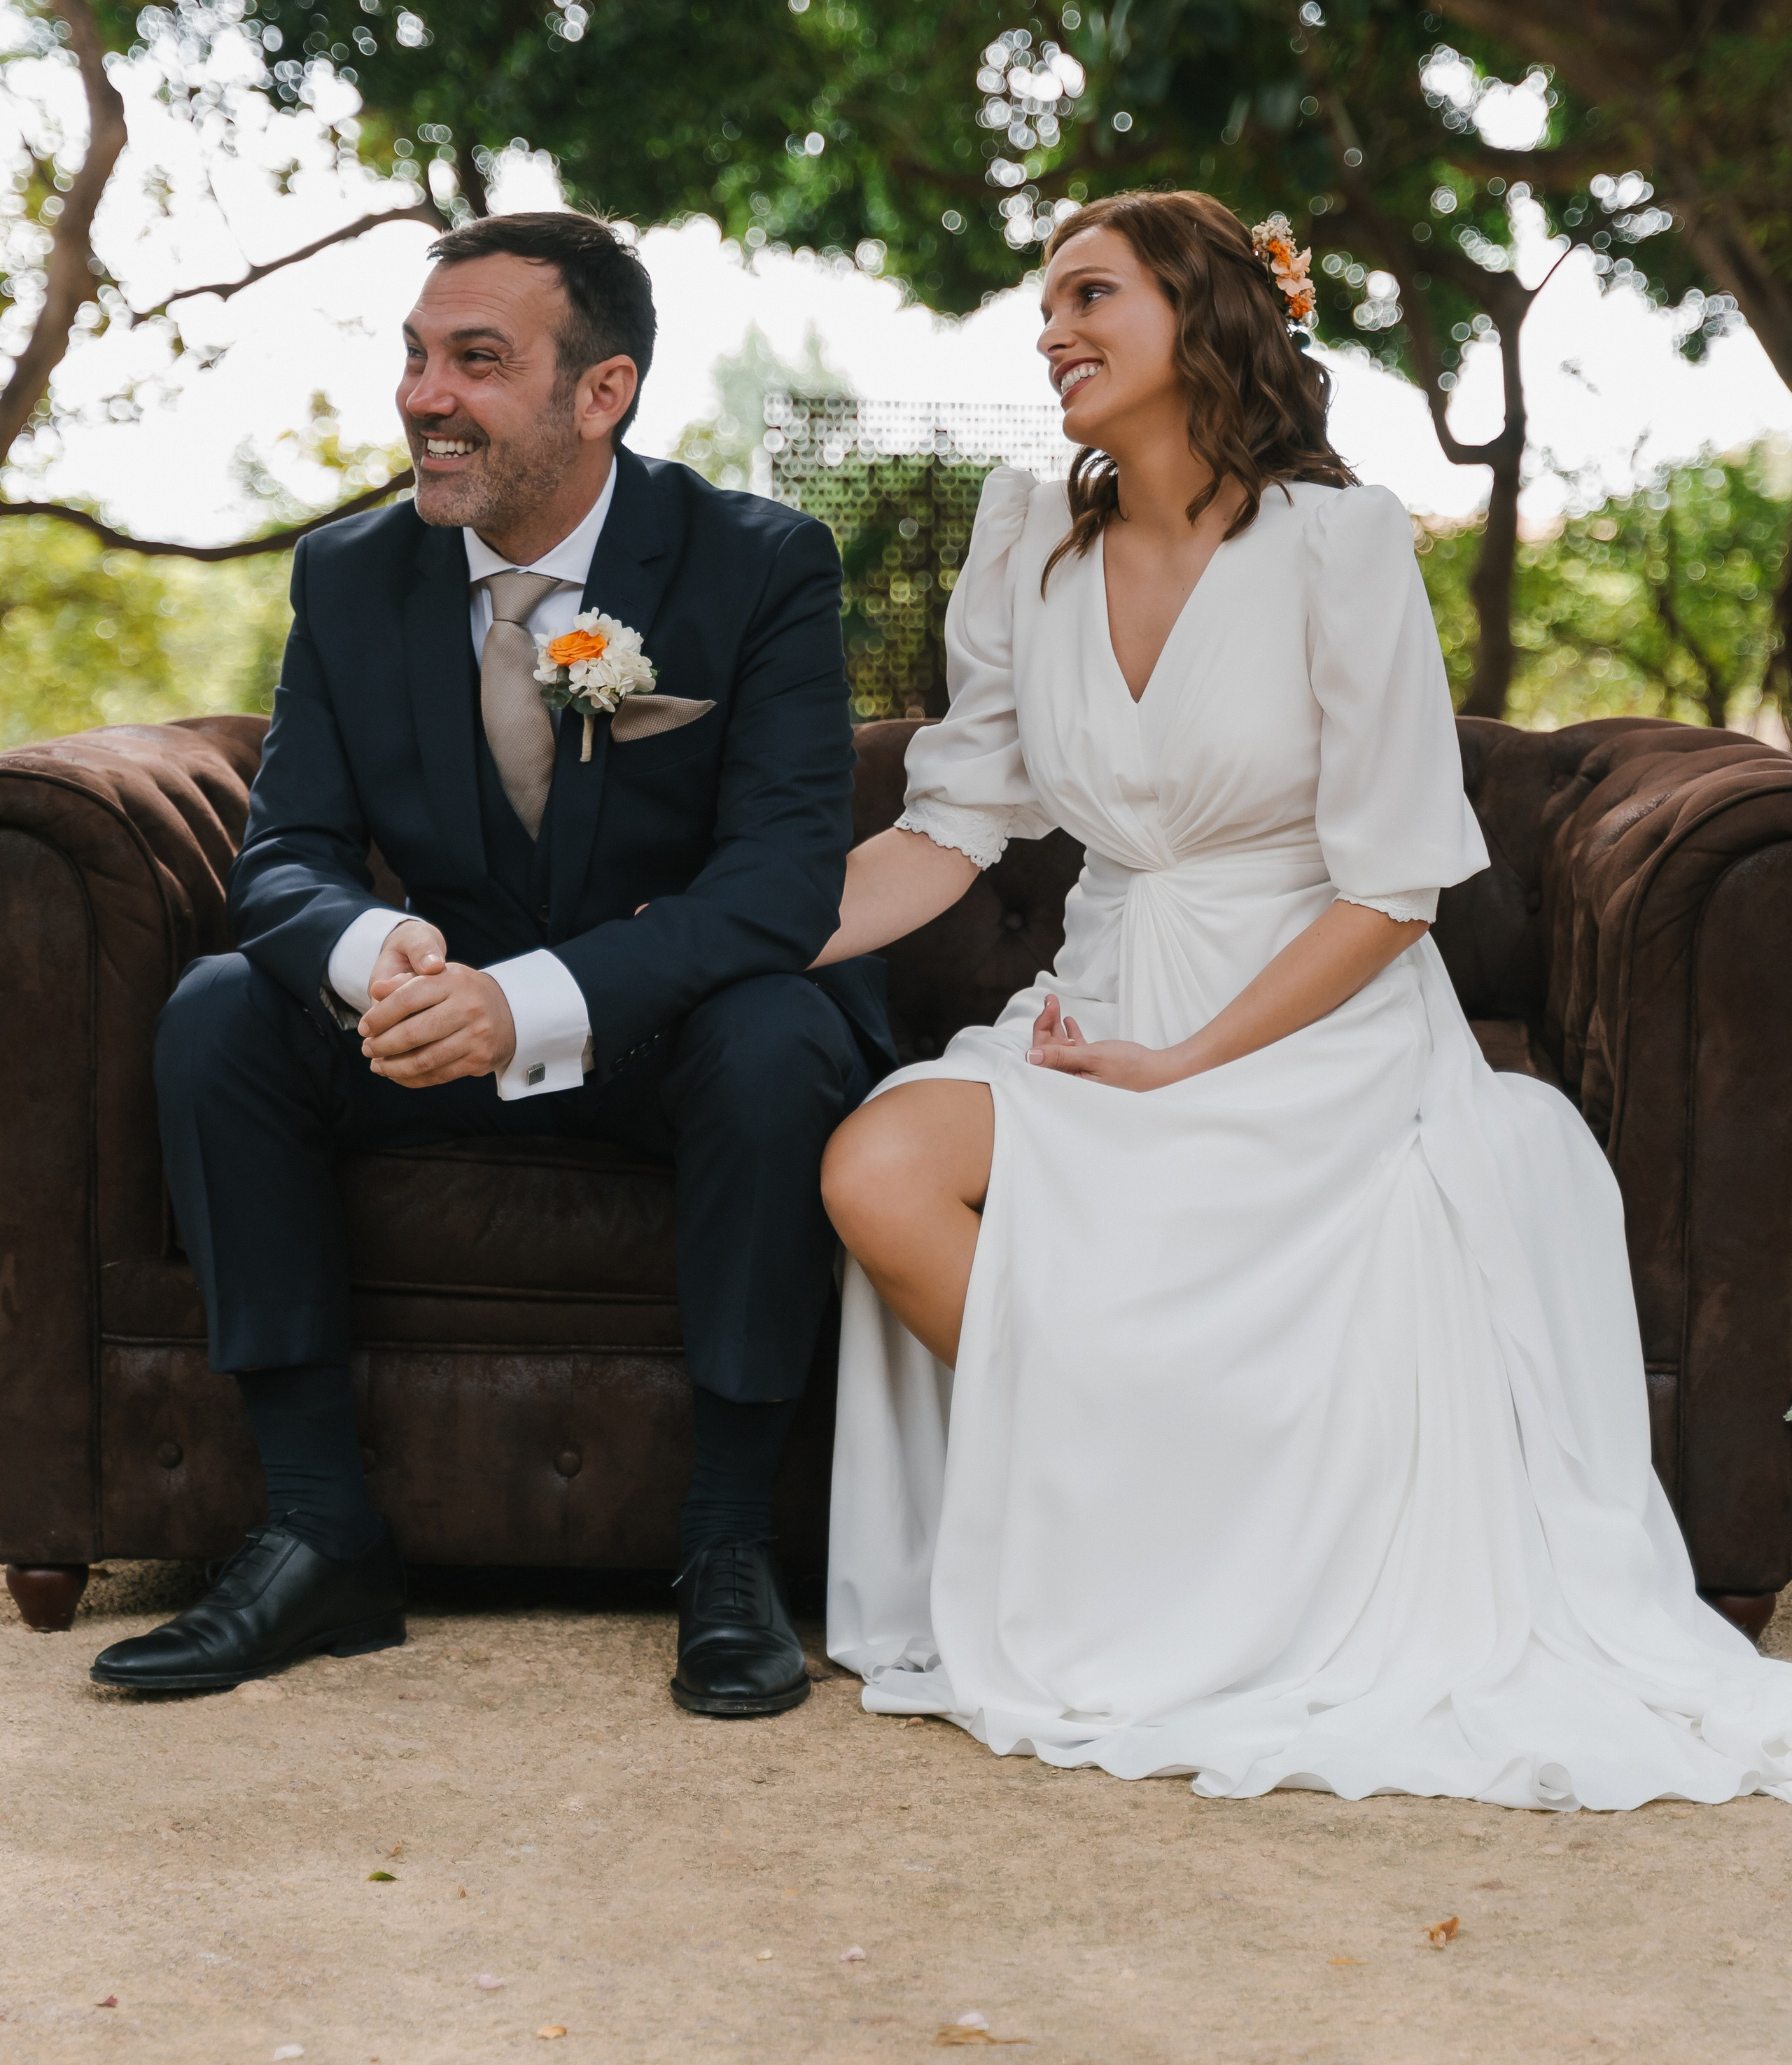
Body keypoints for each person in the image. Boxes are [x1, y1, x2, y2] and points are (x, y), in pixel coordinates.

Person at [815, 188, 1792, 1810]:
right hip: (1100, 996)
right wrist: (726, 941)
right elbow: (946, 829)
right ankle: (1136, 1507)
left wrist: (1185, 1061)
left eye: (1087, 295)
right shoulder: (1026, 540)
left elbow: (1390, 890)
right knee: (878, 1169)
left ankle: (1208, 1560)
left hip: (1309, 1026)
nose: (1049, 331)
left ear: (1200, 314)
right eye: (1045, 304)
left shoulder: (1338, 545)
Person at [92, 209, 891, 1712]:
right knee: (223, 1015)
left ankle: (729, 1542)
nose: (425, 397)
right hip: (427, 1029)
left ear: (603, 392)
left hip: (663, 1040)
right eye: (414, 358)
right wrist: (379, 952)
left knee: (780, 1035)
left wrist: (522, 1005)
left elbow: (781, 883)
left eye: (476, 360)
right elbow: (286, 855)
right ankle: (319, 1531)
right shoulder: (349, 575)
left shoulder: (756, 562)